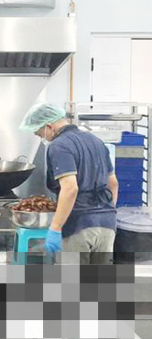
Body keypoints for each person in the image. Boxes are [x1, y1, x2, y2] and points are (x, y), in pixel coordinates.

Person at [20, 103, 118, 265]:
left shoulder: (59, 146)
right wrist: (106, 212)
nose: (42, 138)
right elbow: (113, 183)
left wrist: (55, 227)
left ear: (49, 126)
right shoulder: (96, 141)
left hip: (78, 225)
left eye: (40, 134)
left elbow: (70, 189)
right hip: (107, 224)